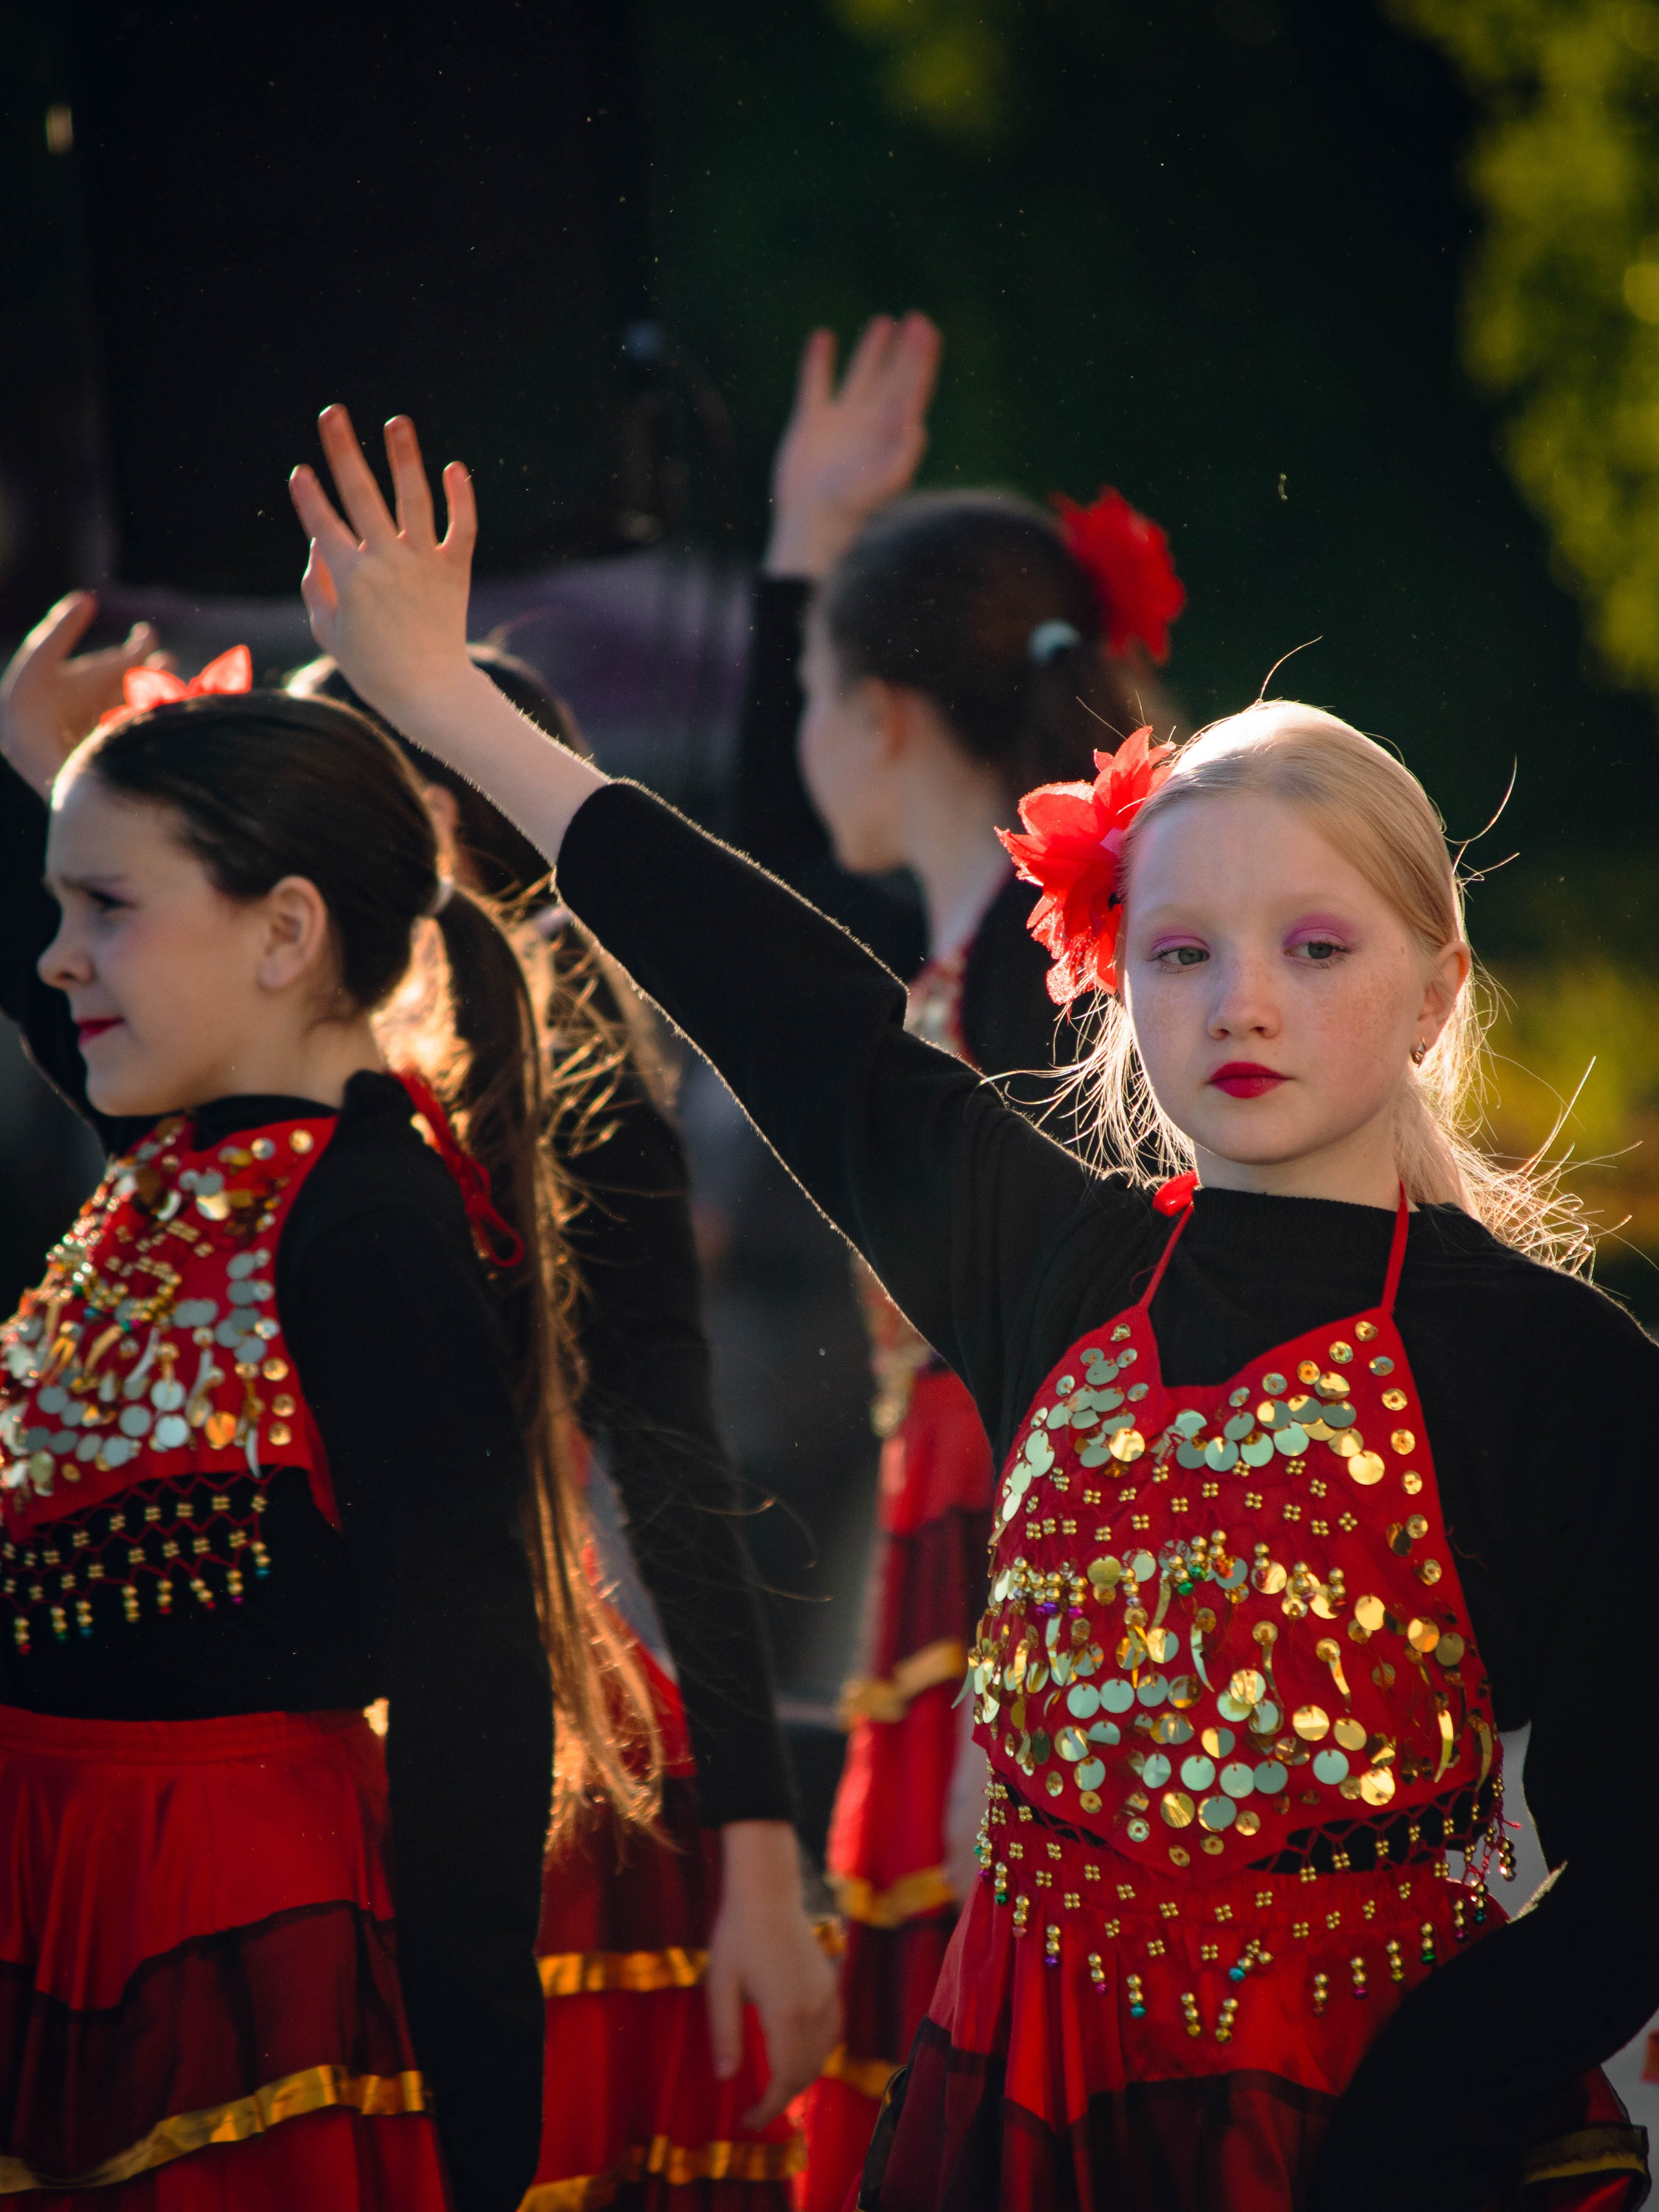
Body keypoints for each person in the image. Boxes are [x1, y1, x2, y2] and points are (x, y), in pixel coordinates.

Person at [288, 405, 1659, 2211]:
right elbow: (775, 995)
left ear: (1432, 990)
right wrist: (445, 702)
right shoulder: (1051, 1259)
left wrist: (1412, 2117)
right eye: (1180, 951)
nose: (1241, 1002)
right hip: (1017, 2104)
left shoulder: (1555, 1365)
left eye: (1315, 947)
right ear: (1115, 983)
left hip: (1372, 2128)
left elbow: (1635, 1869)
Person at [0, 602, 577, 2210]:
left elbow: (472, 1671)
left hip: (220, 1926)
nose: (55, 955)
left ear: (284, 934)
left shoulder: (366, 1221)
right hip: (55, 1893)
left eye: (106, 906)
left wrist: (475, 2109)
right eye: (56, 903)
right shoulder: (185, 1162)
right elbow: (62, 1005)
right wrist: (33, 766)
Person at [286, 644, 841, 2206]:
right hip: (235, 1786)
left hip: (515, 1776)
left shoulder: (563, 1091)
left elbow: (669, 1457)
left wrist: (754, 1858)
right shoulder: (224, 1099)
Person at [733, 316, 1187, 2201]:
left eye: (812, 685)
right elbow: (752, 887)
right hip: (974, 1507)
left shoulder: (1040, 969)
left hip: (1046, 1528)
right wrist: (800, 553)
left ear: (886, 716)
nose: (799, 732)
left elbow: (1115, 1342)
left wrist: (1041, 1681)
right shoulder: (975, 943)